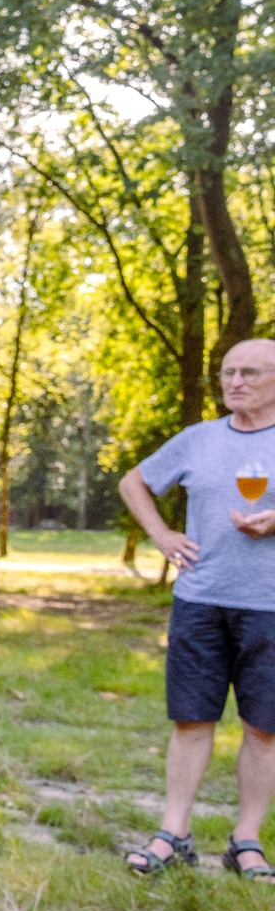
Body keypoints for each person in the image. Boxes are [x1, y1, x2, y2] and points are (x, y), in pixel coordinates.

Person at [119, 337, 275, 882]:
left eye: (249, 373)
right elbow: (133, 481)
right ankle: (174, 833)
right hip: (200, 601)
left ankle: (246, 840)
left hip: (269, 606)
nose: (234, 382)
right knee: (191, 719)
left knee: (264, 728)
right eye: (228, 373)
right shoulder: (198, 439)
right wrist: (161, 534)